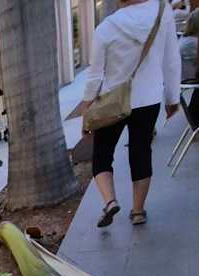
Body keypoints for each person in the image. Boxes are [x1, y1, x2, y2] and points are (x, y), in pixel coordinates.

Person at [81, 0, 180, 227]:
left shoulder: (106, 28)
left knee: (102, 154)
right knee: (140, 152)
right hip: (149, 99)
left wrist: (86, 109)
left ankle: (110, 201)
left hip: (111, 102)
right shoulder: (162, 12)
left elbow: (95, 77)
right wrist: (173, 97)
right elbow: (171, 59)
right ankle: (138, 211)